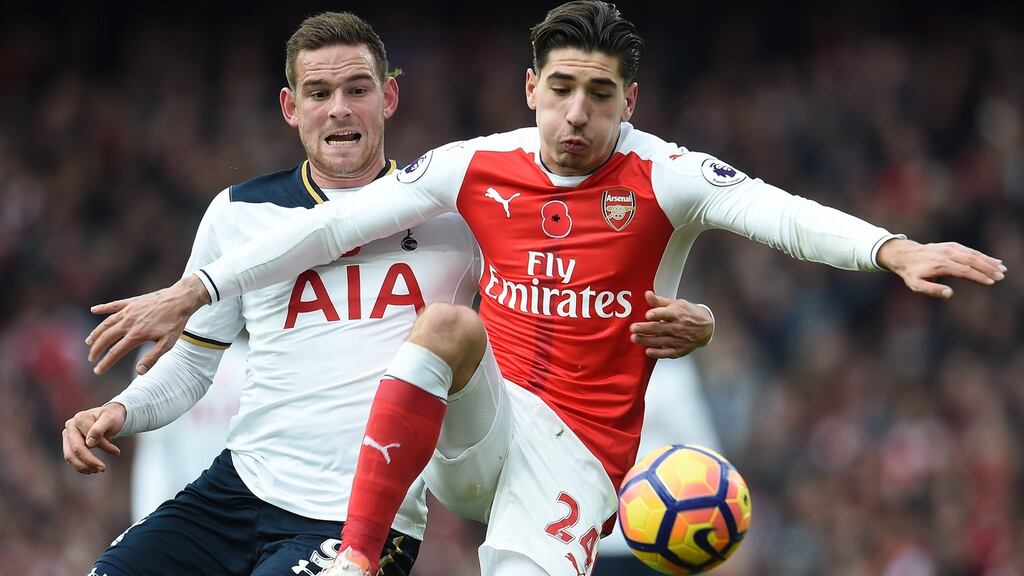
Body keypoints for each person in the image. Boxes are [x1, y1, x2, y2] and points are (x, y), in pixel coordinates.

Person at [82, 1, 1007, 574]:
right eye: (561, 87)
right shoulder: (472, 169)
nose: (576, 112)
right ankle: (356, 557)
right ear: (530, 87)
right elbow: (325, 227)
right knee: (447, 325)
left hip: (577, 458)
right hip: (481, 422)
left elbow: (781, 214)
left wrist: (890, 249)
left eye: (600, 94)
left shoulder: (668, 175)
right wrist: (196, 286)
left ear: (629, 102)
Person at [64, 9, 712, 576]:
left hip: (361, 522)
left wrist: (688, 316)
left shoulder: (459, 216)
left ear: (390, 97)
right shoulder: (238, 214)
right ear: (291, 107)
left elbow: (566, 303)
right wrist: (120, 411)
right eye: (318, 92)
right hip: (236, 489)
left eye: (357, 89)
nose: (339, 108)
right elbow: (195, 364)